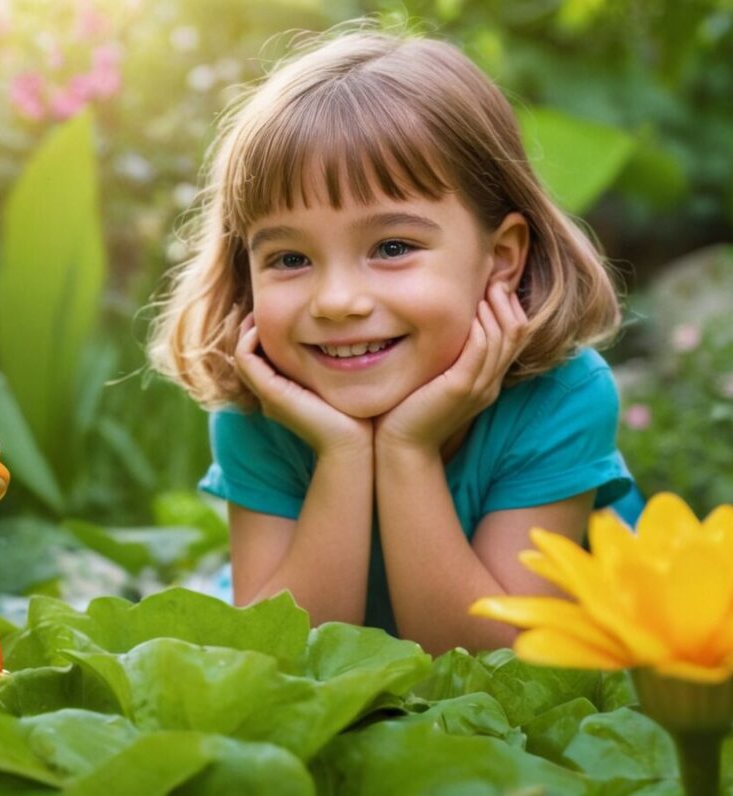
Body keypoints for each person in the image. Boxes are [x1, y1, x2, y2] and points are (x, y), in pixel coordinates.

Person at [148, 23, 636, 655]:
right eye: (290, 259)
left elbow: (504, 672)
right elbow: (277, 661)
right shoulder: (261, 408)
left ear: (502, 257)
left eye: (393, 247)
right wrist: (343, 456)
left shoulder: (560, 398)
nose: (337, 301)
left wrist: (406, 449)